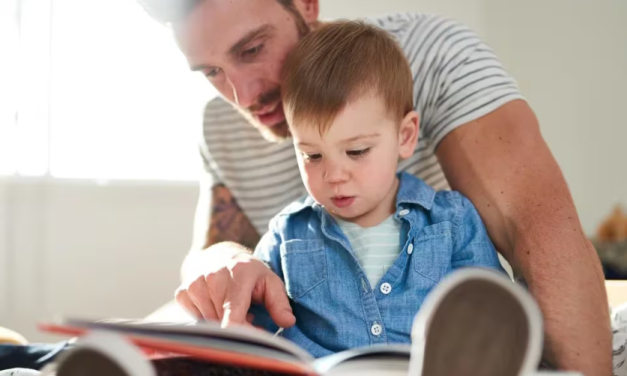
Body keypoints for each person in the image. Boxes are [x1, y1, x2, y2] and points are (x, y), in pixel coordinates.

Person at [0, 0, 612, 374]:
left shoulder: (429, 57)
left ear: (307, 2)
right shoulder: (222, 127)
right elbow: (209, 259)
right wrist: (226, 263)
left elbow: (539, 230)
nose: (242, 95)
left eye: (252, 49)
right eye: (211, 71)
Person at [245, 20, 506, 357]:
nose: (334, 175)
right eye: (312, 155)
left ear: (405, 136)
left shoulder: (451, 222)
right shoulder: (287, 234)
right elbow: (250, 335)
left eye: (356, 152)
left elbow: (496, 316)